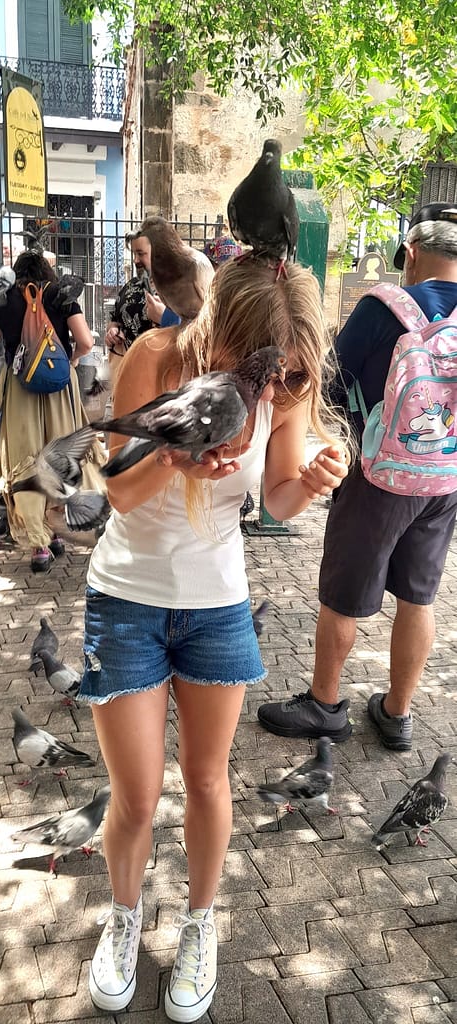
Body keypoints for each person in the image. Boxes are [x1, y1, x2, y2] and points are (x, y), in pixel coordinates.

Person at [78, 257, 348, 1021]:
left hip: (217, 607)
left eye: (286, 371)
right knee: (135, 795)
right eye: (259, 363)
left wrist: (312, 482)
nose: (272, 386)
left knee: (205, 781)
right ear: (218, 331)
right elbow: (118, 492)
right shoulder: (157, 356)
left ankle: (199, 924)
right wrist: (177, 461)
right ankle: (124, 916)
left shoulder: (282, 387)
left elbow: (277, 501)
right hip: (126, 600)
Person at [257, 202, 457, 753]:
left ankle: (324, 706)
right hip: (443, 480)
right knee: (419, 597)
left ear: (411, 254)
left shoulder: (384, 306)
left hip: (378, 476)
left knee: (343, 594)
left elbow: (330, 381)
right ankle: (397, 713)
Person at [0, 249, 105, 572]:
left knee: (26, 458)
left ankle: (38, 546)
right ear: (47, 272)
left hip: (19, 387)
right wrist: (71, 361)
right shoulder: (60, 294)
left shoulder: (4, 298)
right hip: (60, 387)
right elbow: (86, 342)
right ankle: (57, 530)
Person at [105, 230, 180, 372]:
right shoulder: (131, 286)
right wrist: (112, 331)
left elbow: (191, 334)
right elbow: (114, 319)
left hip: (161, 375)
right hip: (127, 372)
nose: (135, 260)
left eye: (140, 254)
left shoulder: (178, 290)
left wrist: (164, 317)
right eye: (134, 254)